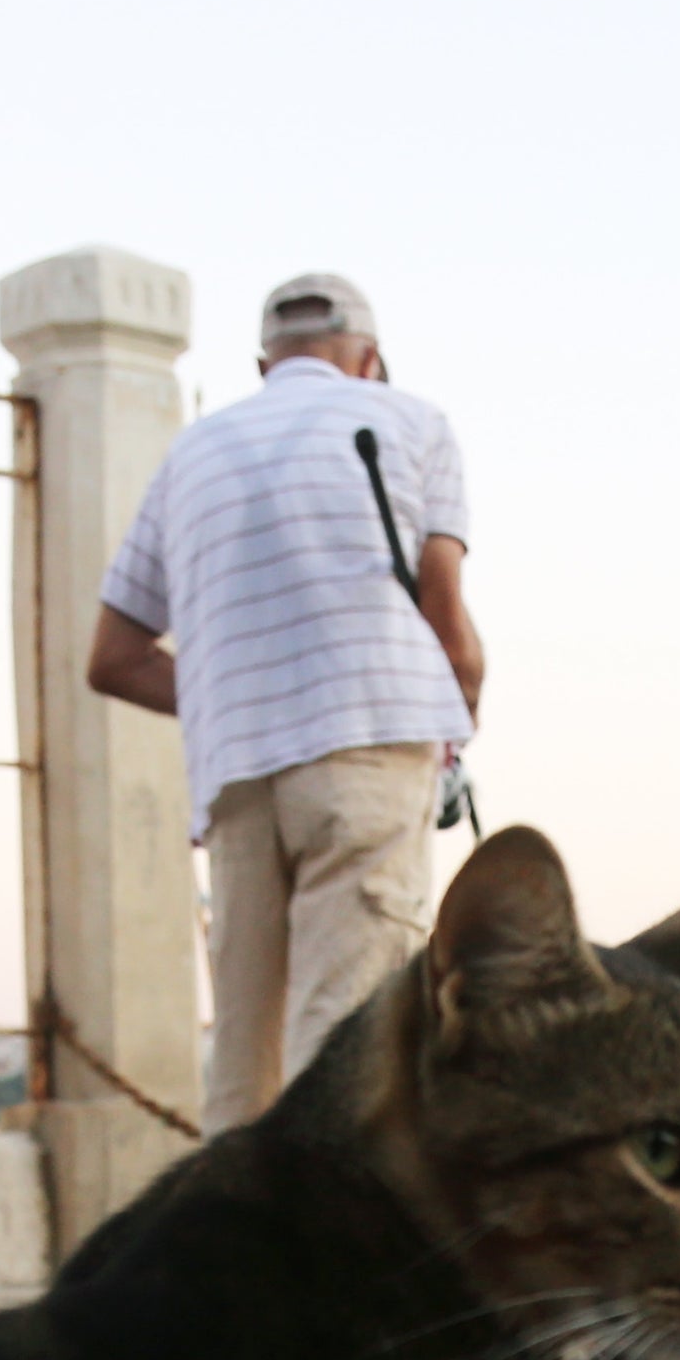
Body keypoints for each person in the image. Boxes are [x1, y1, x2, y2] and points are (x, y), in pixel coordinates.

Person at [87, 272, 484, 1131]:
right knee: (345, 1036)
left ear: (264, 361)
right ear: (368, 359)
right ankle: (334, 1262)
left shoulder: (194, 451)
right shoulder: (412, 421)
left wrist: (239, 691)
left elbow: (113, 659)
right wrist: (460, 724)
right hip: (371, 750)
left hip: (236, 775)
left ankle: (235, 1257)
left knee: (243, 1052)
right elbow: (451, 631)